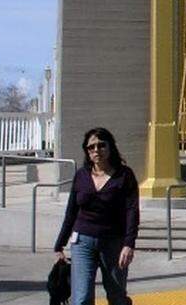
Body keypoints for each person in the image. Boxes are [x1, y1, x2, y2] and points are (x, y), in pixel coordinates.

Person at [53, 127, 139, 305]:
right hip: (82, 242)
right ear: (86, 151)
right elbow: (71, 212)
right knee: (81, 298)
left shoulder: (124, 175)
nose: (96, 150)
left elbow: (132, 211)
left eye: (101, 145)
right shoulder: (81, 176)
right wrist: (59, 244)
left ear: (110, 147)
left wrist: (128, 244)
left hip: (113, 243)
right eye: (91, 147)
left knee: (117, 297)